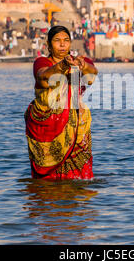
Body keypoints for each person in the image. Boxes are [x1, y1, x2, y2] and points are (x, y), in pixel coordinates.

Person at [24, 25, 98, 180]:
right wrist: (62, 66)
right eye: (57, 41)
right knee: (46, 182)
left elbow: (92, 76)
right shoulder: (42, 62)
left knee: (79, 178)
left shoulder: (80, 61)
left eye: (66, 40)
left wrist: (82, 65)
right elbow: (44, 79)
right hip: (47, 124)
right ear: (49, 45)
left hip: (76, 124)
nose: (63, 44)